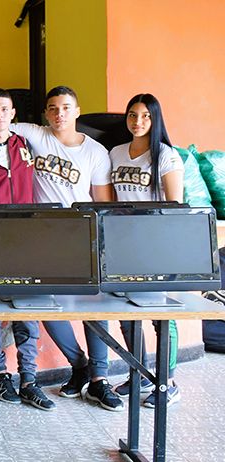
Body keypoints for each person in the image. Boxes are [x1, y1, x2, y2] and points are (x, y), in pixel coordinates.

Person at [0, 85, 121, 411]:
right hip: (39, 239)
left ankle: (99, 378)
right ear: (46, 113)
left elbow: (103, 203)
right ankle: (79, 367)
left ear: (77, 111)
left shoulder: (95, 152)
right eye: (53, 108)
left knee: (93, 308)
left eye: (66, 108)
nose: (59, 114)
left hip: (80, 237)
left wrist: (102, 244)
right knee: (44, 307)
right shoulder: (35, 134)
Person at [0, 88, 55, 411]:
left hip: (26, 240)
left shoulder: (26, 143)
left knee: (28, 313)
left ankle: (30, 379)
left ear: (13, 113)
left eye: (4, 110)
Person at [108, 93, 184, 407]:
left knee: (160, 315)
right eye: (132, 115)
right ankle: (138, 374)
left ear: (155, 120)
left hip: (154, 246)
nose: (137, 122)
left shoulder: (166, 156)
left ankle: (167, 383)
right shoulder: (115, 153)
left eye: (145, 116)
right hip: (122, 245)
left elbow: (174, 206)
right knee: (127, 313)